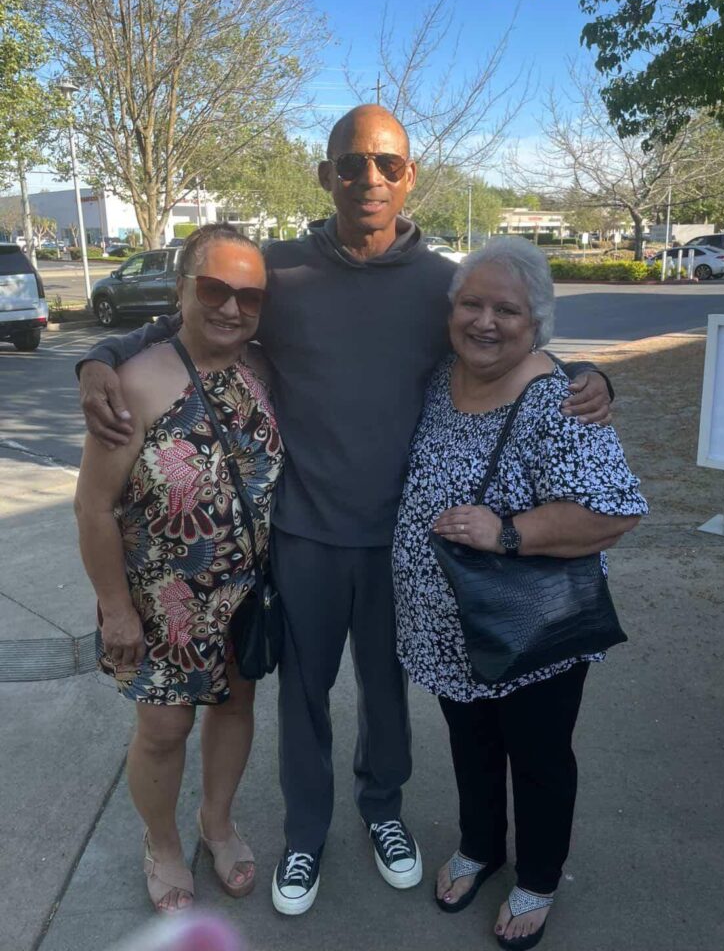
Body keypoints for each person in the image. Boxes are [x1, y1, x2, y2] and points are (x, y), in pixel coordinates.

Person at [75, 105, 613, 915]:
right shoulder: (279, 273)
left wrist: (590, 377)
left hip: (403, 540)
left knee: (387, 694)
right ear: (326, 174)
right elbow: (186, 320)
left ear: (410, 176)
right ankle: (306, 832)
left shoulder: (442, 284)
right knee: (303, 697)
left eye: (388, 164)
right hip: (303, 536)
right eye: (353, 162)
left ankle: (382, 809)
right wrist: (98, 357)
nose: (370, 178)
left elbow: (508, 336)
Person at [392, 236, 647, 949]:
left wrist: (506, 532)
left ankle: (537, 876)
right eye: (471, 304)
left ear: (536, 322)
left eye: (506, 310)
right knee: (470, 743)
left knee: (537, 756)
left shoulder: (558, 400)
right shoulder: (441, 377)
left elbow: (614, 512)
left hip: (529, 630)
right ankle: (481, 845)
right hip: (448, 631)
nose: (485, 322)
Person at [75, 224, 283, 913]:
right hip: (160, 603)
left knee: (235, 708)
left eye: (249, 296)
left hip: (244, 595)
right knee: (165, 732)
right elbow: (93, 507)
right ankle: (162, 844)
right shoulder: (136, 381)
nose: (232, 307)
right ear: (182, 289)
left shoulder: (265, 371)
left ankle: (216, 823)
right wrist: (115, 610)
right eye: (215, 289)